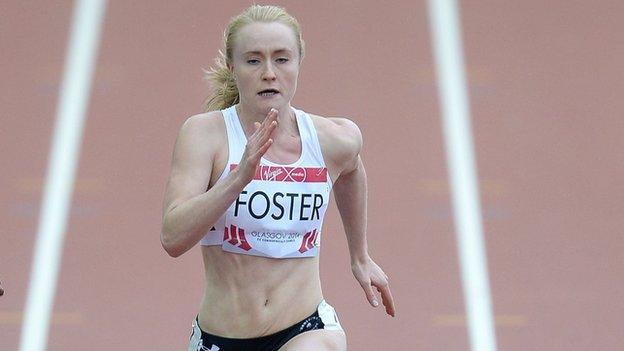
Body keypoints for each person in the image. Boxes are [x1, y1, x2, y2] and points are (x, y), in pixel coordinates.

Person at [161, 5, 395, 351]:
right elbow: (173, 237)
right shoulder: (205, 136)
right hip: (221, 337)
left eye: (282, 59)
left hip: (305, 326)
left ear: (299, 62)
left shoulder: (332, 138)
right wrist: (238, 179)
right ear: (232, 67)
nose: (269, 73)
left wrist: (359, 255)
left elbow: (351, 168)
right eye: (253, 60)